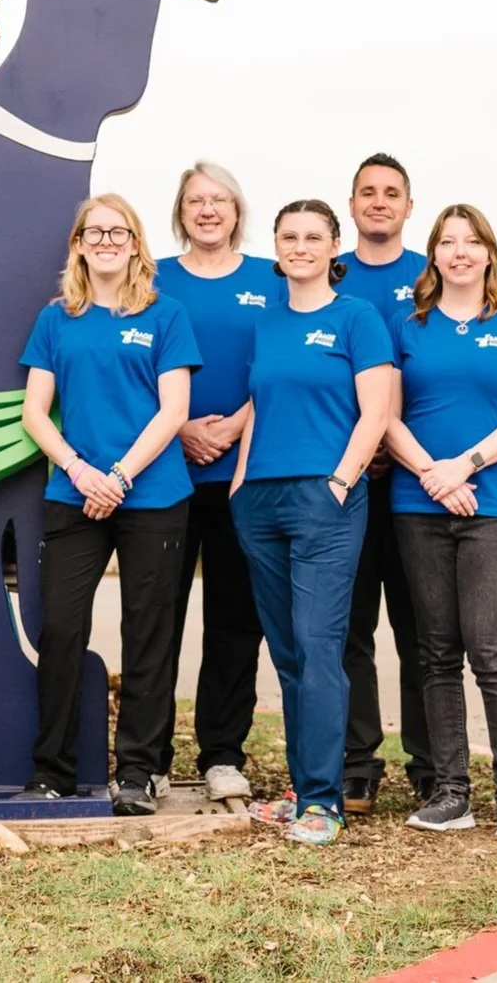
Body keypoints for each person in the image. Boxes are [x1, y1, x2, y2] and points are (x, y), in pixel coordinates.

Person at [17, 194, 200, 815]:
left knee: (147, 632)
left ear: (134, 242)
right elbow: (35, 412)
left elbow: (174, 410)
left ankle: (139, 773)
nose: (105, 241)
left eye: (117, 231)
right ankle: (53, 770)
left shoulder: (165, 313)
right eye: (94, 232)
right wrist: (80, 471)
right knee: (61, 628)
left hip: (152, 495)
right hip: (73, 493)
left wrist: (117, 476)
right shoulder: (56, 319)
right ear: (78, 244)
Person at [231, 199, 393, 846]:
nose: (299, 246)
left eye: (312, 237)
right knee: (288, 653)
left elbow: (374, 412)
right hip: (260, 500)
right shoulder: (267, 324)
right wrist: (240, 484)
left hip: (324, 498)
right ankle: (302, 791)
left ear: (334, 248)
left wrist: (339, 481)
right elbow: (259, 404)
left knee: (320, 647)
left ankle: (325, 803)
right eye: (288, 236)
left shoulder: (357, 318)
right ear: (276, 247)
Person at [385, 205, 497, 839]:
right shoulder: (408, 327)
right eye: (447, 242)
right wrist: (434, 474)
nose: (460, 252)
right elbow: (387, 415)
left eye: (471, 241)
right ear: (434, 256)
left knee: (490, 649)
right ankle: (451, 791)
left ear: (488, 254)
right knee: (435, 651)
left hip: (495, 503)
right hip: (419, 505)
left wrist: (466, 466)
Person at [154, 162, 282, 804]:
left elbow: (286, 365)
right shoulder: (153, 279)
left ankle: (222, 753)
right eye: (195, 200)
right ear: (181, 211)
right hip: (164, 474)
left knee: (235, 618)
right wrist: (181, 429)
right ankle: (146, 756)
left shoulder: (270, 279)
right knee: (160, 616)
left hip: (243, 475)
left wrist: (232, 427)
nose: (207, 210)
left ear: (237, 210)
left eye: (219, 200)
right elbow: (136, 369)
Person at [332, 153, 434, 813]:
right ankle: (357, 761)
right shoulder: (326, 273)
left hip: (410, 476)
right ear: (351, 205)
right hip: (344, 475)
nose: (378, 202)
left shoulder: (429, 274)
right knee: (349, 628)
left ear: (407, 206)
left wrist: (399, 450)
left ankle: (429, 761)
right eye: (366, 192)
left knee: (420, 627)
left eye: (390, 193)